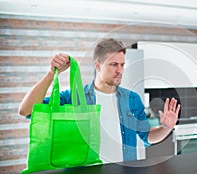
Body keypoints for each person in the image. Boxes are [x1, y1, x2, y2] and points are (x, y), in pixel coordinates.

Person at [19, 38, 181, 163]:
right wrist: (51, 74)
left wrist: (166, 128)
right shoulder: (74, 97)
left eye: (122, 64)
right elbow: (26, 110)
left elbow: (146, 137)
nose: (120, 70)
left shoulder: (132, 99)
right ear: (98, 65)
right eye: (114, 64)